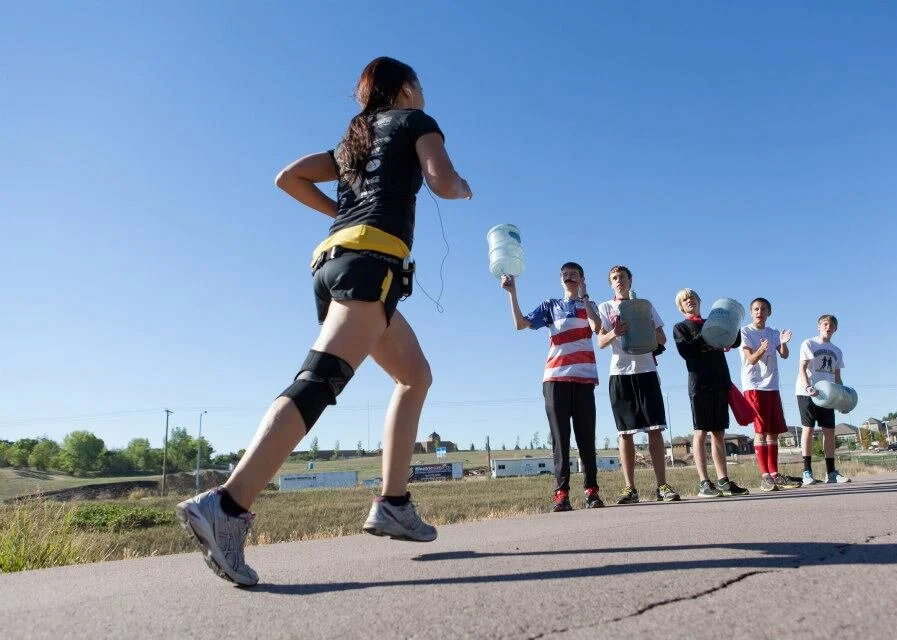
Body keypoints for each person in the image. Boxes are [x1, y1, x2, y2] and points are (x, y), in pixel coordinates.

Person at [175, 57, 472, 586]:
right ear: (404, 89)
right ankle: (228, 505)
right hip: (370, 265)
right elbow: (442, 181)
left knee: (414, 375)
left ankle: (394, 502)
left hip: (334, 262)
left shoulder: (354, 139)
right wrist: (462, 186)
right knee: (321, 378)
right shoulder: (415, 122)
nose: (424, 92)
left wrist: (342, 217)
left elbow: (288, 178)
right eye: (420, 84)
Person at [501, 263, 605, 511]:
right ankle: (561, 494)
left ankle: (592, 492)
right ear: (560, 280)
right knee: (561, 439)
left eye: (574, 274)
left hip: (584, 379)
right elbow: (521, 323)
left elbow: (597, 327)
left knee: (586, 438)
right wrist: (512, 293)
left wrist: (585, 296)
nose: (569, 277)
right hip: (555, 379)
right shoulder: (551, 305)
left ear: (582, 279)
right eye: (565, 275)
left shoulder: (589, 306)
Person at [596, 266, 680, 504]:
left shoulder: (645, 305)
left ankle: (662, 485)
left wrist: (644, 332)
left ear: (630, 280)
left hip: (646, 371)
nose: (618, 281)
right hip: (620, 373)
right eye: (614, 278)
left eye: (622, 277)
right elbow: (601, 341)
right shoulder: (605, 307)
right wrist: (616, 332)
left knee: (655, 429)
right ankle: (630, 488)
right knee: (625, 433)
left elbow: (662, 338)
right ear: (610, 284)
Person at [673, 289, 750, 497]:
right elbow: (686, 351)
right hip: (699, 384)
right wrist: (706, 334)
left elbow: (734, 341)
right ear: (681, 306)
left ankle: (723, 480)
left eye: (693, 298)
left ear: (699, 301)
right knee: (701, 432)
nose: (690, 301)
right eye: (685, 300)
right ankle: (704, 483)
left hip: (720, 381)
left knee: (719, 432)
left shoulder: (714, 320)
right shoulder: (681, 327)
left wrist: (733, 322)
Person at [739, 297, 801, 491]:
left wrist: (783, 343)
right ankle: (765, 475)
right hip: (754, 386)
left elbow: (784, 355)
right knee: (760, 430)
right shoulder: (746, 331)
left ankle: (775, 474)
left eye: (763, 309)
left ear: (769, 312)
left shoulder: (773, 332)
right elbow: (750, 359)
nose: (759, 312)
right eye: (756, 309)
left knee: (773, 431)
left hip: (772, 385)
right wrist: (761, 349)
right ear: (751, 313)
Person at [795, 314, 850, 485]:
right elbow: (802, 368)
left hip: (828, 394)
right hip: (807, 392)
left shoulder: (837, 351)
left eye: (831, 325)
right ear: (819, 327)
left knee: (829, 431)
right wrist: (808, 387)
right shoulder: (809, 343)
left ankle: (831, 473)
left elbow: (837, 377)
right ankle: (807, 472)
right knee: (808, 429)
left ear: (835, 329)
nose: (828, 327)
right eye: (825, 324)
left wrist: (843, 399)